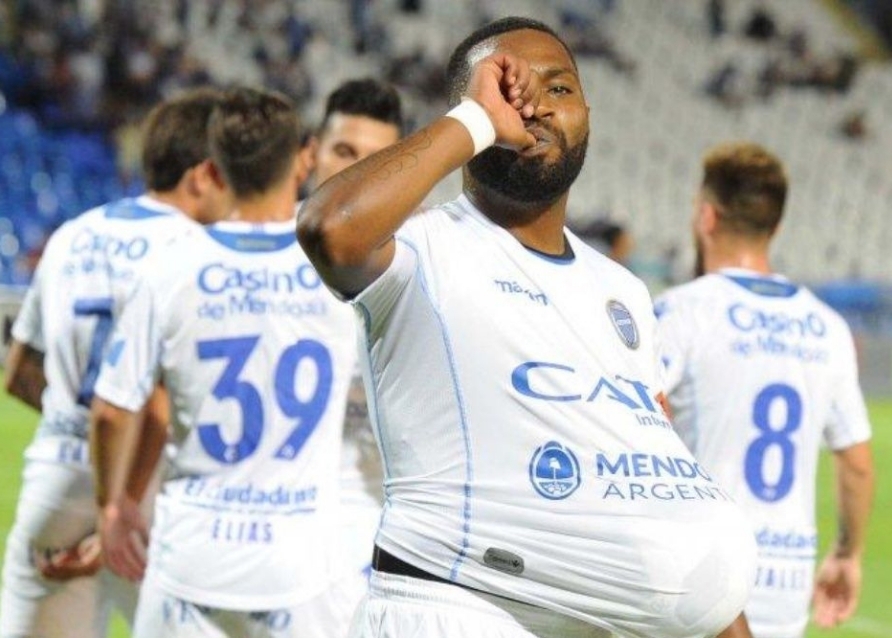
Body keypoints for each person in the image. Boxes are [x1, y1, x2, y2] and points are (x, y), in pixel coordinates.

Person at [297, 16, 756, 638]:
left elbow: (660, 485)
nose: (535, 106)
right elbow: (330, 227)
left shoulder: (622, 291)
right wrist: (477, 121)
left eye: (559, 89)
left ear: (588, 115)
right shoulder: (421, 248)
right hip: (452, 606)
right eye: (510, 92)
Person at [90, 86, 360, 638]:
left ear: (213, 170)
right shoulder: (341, 268)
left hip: (190, 560)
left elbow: (112, 411)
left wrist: (113, 509)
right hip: (299, 567)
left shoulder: (169, 268)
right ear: (304, 158)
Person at [0, 88, 230, 638]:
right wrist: (118, 501)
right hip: (147, 502)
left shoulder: (70, 236)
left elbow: (19, 373)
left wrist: (79, 423)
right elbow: (163, 397)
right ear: (203, 174)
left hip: (55, 481)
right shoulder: (200, 251)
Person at [654, 142, 876, 638]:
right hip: (785, 584)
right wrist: (847, 553)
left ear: (706, 217)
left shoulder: (682, 312)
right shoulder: (827, 327)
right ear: (774, 227)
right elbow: (857, 464)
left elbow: (633, 412)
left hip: (699, 575)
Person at [307, 78, 405, 600]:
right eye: (344, 152)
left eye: (375, 160)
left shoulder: (426, 271)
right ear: (311, 154)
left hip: (373, 538)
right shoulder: (253, 261)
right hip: (268, 526)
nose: (354, 172)